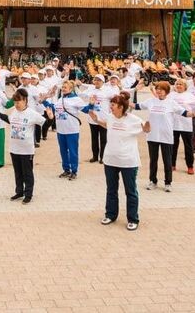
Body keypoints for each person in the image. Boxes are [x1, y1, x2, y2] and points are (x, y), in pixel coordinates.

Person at [90, 93, 144, 231]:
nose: (111, 107)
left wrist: (148, 126)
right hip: (110, 160)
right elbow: (107, 125)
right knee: (111, 189)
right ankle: (110, 214)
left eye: (113, 105)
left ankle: (133, 218)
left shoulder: (133, 119)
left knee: (130, 191)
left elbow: (145, 128)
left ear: (121, 107)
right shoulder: (110, 117)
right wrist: (96, 120)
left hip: (128, 161)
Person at [0, 88, 45, 203]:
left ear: (25, 100)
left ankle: (28, 194)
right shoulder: (14, 112)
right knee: (18, 172)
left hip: (26, 150)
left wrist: (51, 117)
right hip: (14, 149)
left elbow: (44, 122)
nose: (16, 104)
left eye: (18, 102)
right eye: (15, 102)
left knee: (27, 173)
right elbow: (8, 119)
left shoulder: (32, 113)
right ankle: (19, 191)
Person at [44, 79, 86, 180]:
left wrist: (92, 105)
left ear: (71, 89)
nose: (63, 89)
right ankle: (66, 169)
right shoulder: (60, 99)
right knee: (63, 151)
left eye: (65, 87)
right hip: (61, 130)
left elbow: (86, 109)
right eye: (62, 87)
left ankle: (74, 171)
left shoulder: (76, 99)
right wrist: (44, 101)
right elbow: (53, 108)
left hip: (72, 130)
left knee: (73, 152)